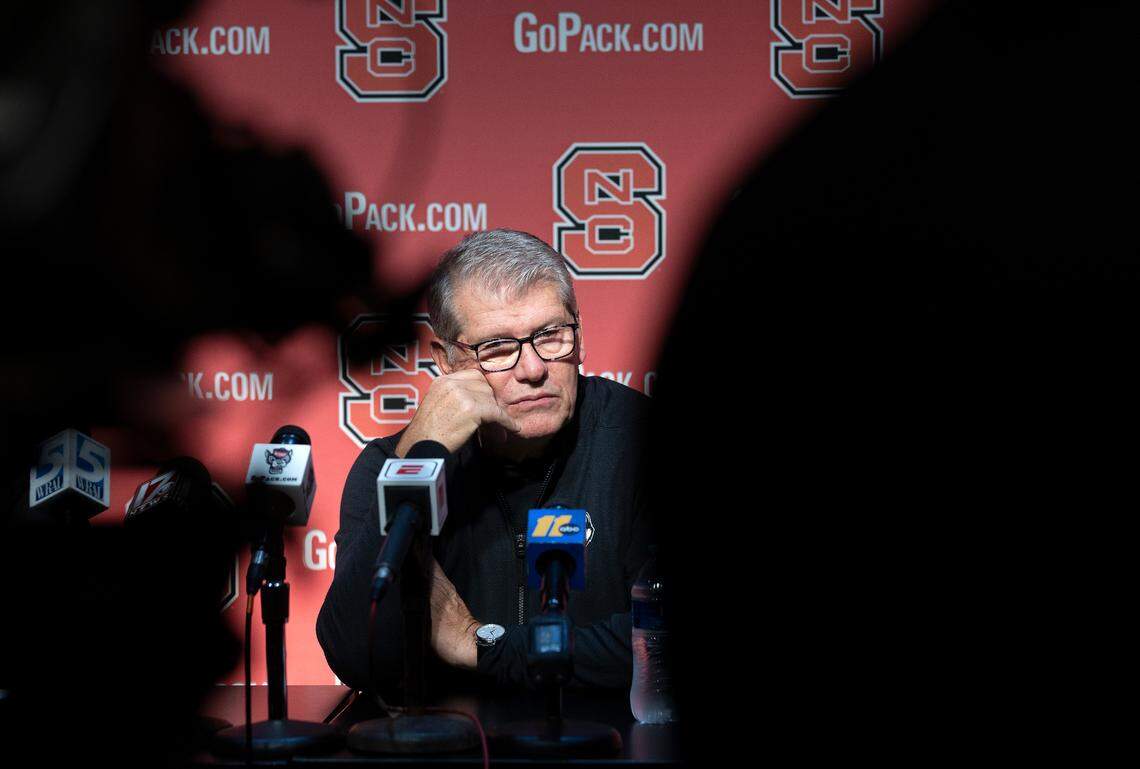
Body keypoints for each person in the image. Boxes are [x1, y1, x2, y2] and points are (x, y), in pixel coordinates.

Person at [317, 229, 652, 695]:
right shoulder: (389, 466)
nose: (533, 369)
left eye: (551, 336)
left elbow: (659, 649)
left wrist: (478, 644)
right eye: (497, 348)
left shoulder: (641, 443)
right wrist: (419, 456)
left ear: (580, 335)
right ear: (448, 362)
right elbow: (357, 655)